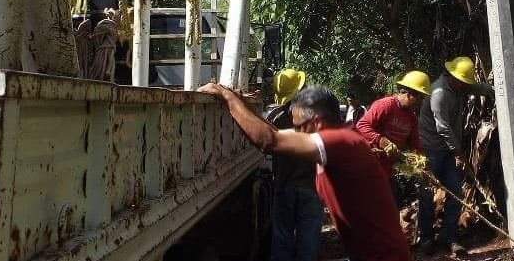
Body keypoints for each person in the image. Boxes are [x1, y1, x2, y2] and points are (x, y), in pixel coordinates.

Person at [198, 82, 412, 261]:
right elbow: (277, 133)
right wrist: (241, 103)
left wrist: (228, 97)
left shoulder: (340, 141)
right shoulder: (342, 138)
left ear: (316, 122)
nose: (296, 132)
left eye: (299, 126)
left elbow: (269, 140)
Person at [418, 56, 494, 256]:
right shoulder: (439, 93)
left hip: (447, 151)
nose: (464, 85)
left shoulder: (458, 86)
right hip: (430, 150)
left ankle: (448, 236)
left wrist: (495, 90)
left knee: (456, 192)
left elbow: (477, 88)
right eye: (462, 81)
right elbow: (443, 128)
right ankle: (426, 239)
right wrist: (459, 153)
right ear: (452, 76)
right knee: (427, 195)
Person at [265, 69, 322, 261]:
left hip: (284, 184)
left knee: (282, 239)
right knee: (309, 240)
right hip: (310, 185)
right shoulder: (316, 117)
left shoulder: (275, 117)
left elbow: (266, 146)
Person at [356, 71, 431, 181]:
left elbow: (415, 144)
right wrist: (382, 141)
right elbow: (362, 124)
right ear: (409, 94)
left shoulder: (412, 117)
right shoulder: (386, 105)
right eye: (420, 98)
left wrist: (422, 165)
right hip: (369, 165)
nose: (421, 103)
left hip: (388, 170)